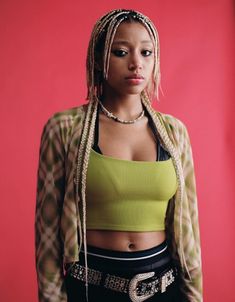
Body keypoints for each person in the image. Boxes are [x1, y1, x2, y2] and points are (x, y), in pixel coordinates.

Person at [35, 9, 202, 302]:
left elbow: (190, 231)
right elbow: (47, 236)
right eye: (121, 52)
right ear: (99, 60)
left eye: (147, 52)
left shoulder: (174, 132)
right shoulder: (64, 128)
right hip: (91, 290)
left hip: (164, 289)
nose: (137, 63)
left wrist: (194, 296)